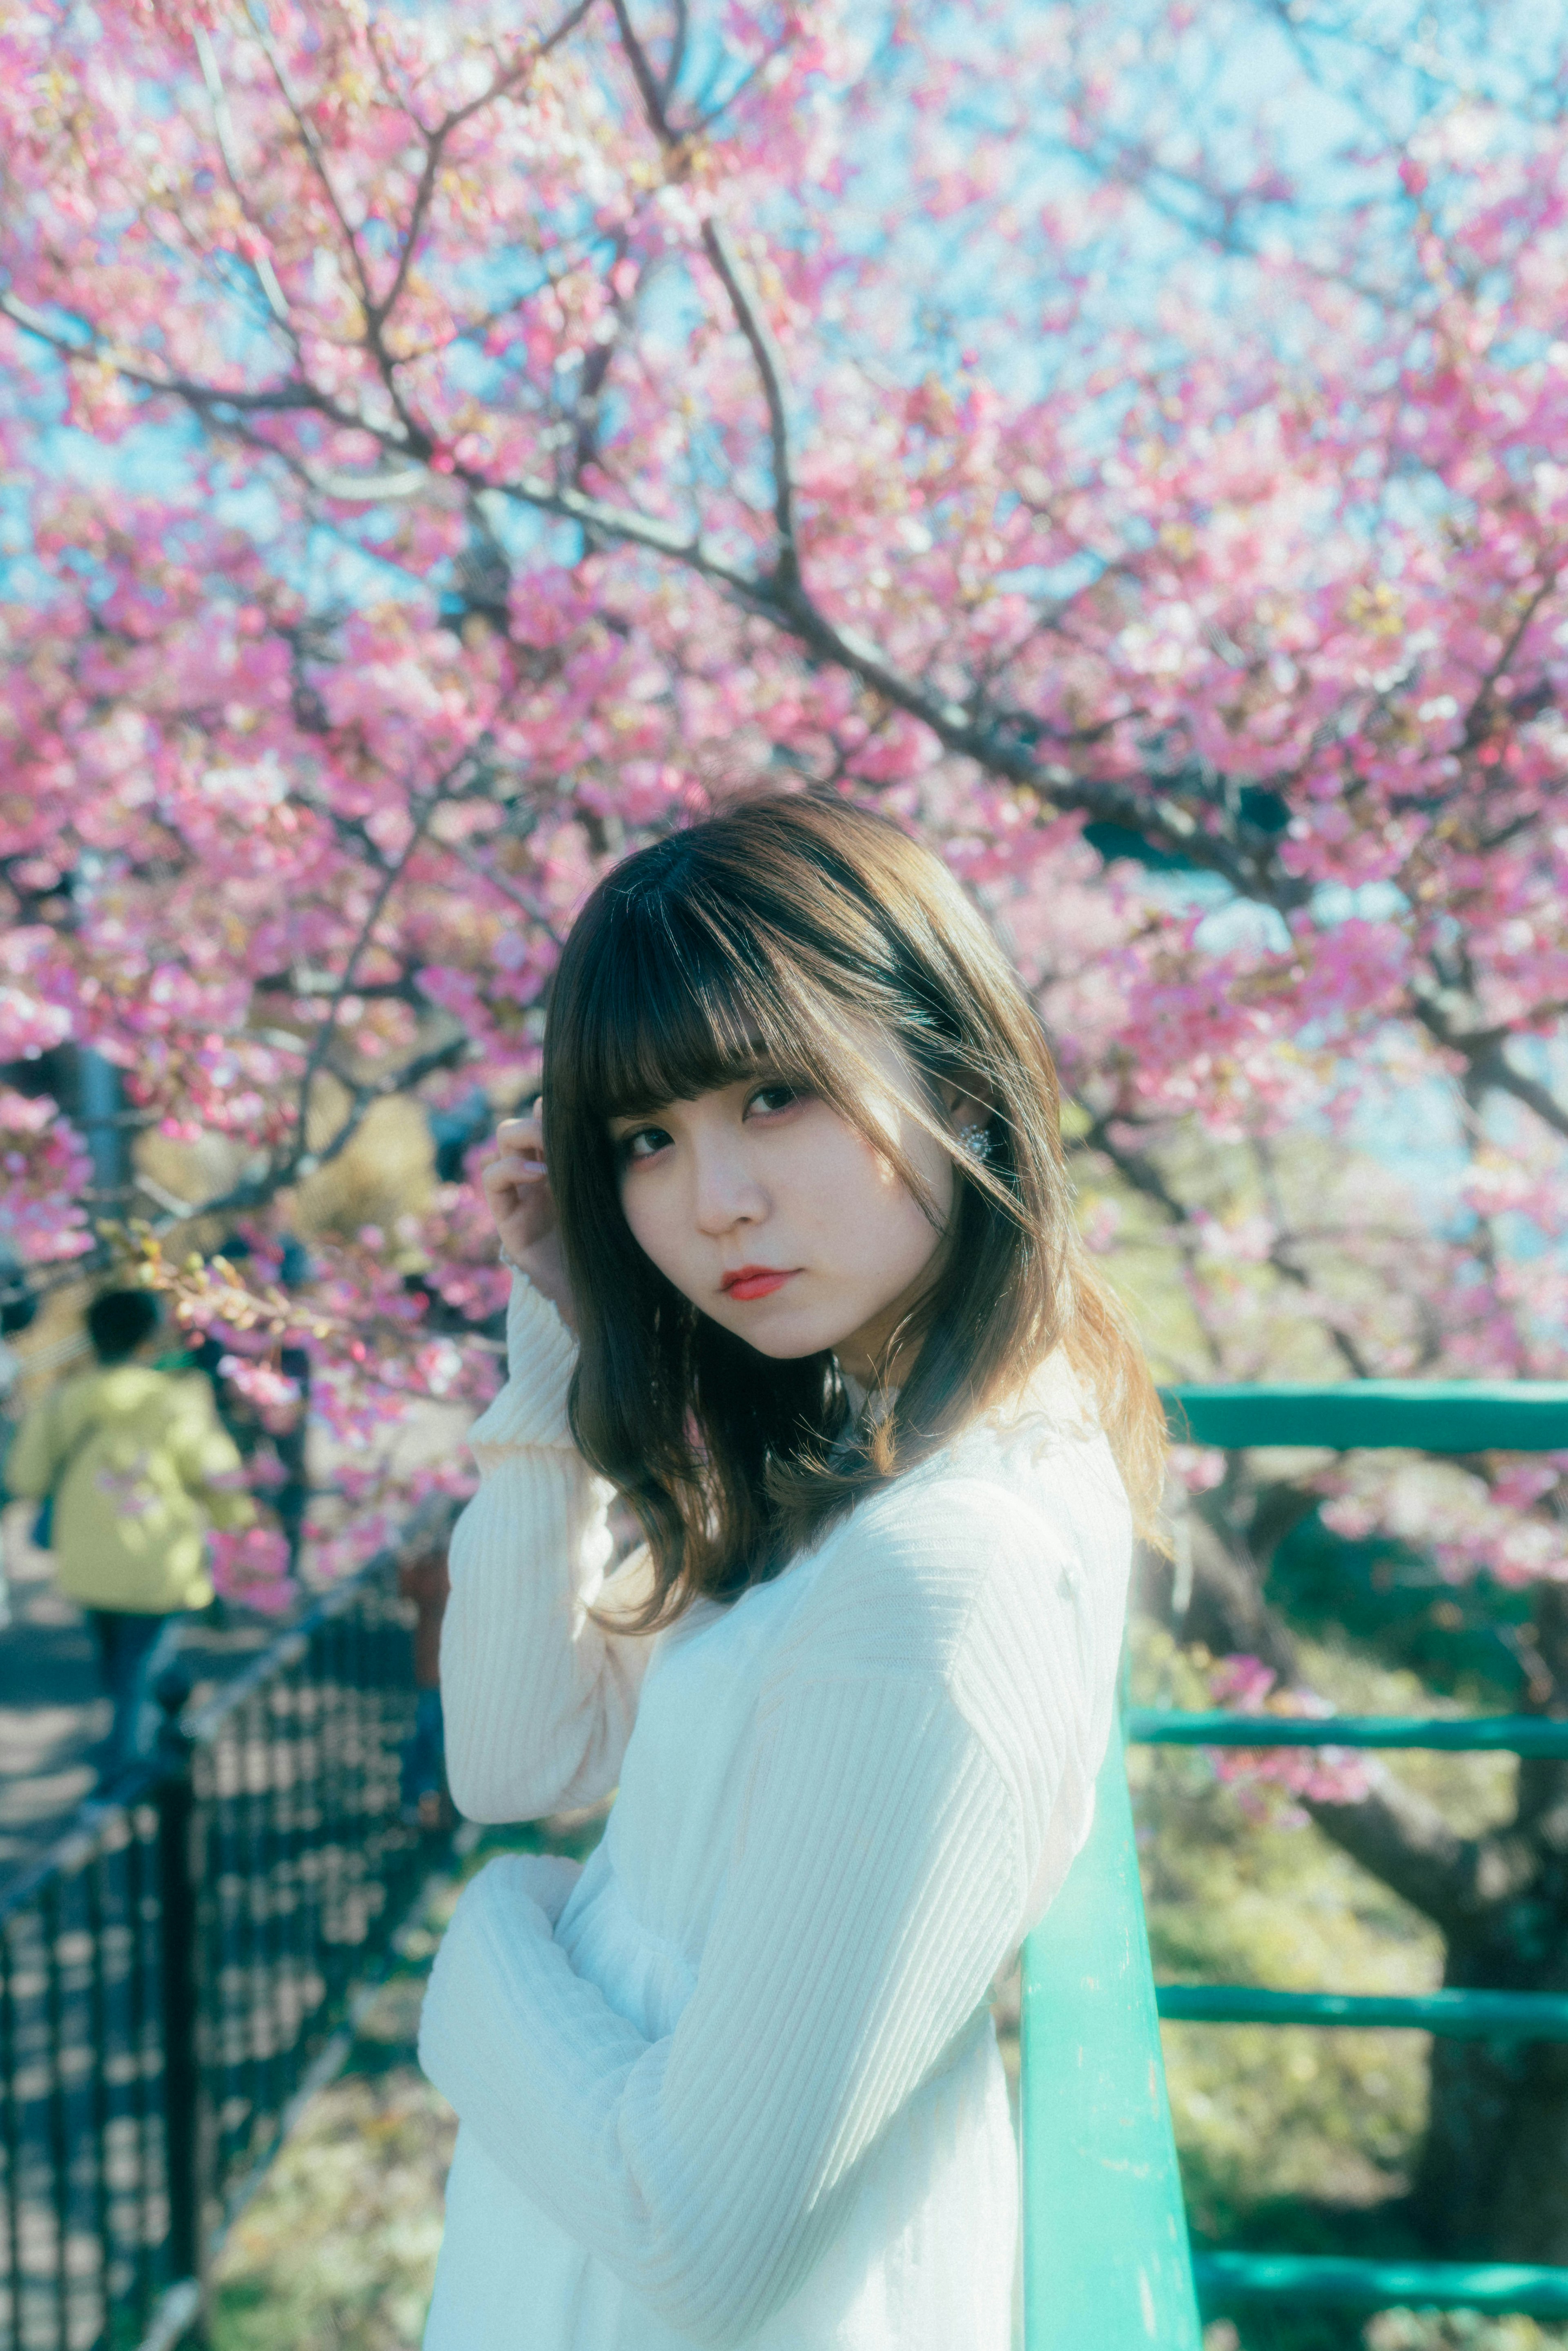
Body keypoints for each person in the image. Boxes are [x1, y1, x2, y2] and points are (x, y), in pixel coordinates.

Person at [416, 795, 1169, 2351]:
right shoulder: (865, 1457)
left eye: (773, 1095)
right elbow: (513, 1753)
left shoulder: (944, 1568)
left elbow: (688, 2234)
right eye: (646, 1138)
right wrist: (553, 1338)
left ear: (958, 1080)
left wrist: (485, 1943)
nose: (713, 1202)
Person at [8, 1287, 252, 1786]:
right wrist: (238, 1523)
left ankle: (145, 1729)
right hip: (162, 1562)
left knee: (123, 1662)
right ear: (149, 1339)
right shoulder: (176, 1400)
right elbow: (218, 1474)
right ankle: (124, 1766)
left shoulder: (63, 1401)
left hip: (87, 1562)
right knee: (141, 1662)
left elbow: (25, 1478)